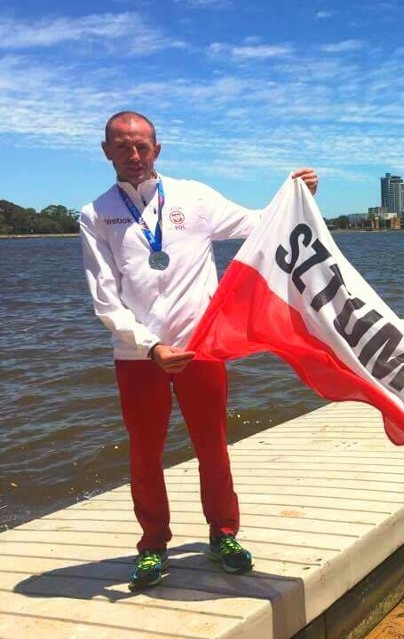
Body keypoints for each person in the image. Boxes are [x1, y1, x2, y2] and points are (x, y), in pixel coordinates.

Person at [79, 111, 318, 591]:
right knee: (145, 455)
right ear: (106, 151)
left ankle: (223, 534)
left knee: (213, 447)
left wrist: (295, 195)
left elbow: (258, 225)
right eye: (122, 146)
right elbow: (104, 298)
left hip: (201, 349)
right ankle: (152, 545)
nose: (134, 155)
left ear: (158, 149)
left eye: (142, 146)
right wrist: (150, 347)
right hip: (138, 356)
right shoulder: (95, 214)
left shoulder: (195, 197)